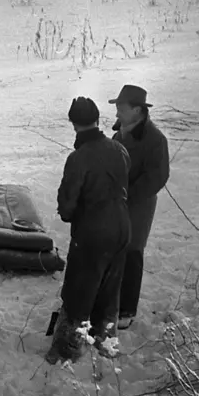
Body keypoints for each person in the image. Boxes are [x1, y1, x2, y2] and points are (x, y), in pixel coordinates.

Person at [45, 97, 131, 364]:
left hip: (93, 233)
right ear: (97, 119)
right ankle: (107, 344)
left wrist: (70, 214)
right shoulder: (119, 149)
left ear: (73, 124)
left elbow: (68, 202)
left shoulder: (78, 158)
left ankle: (68, 350)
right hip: (122, 228)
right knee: (109, 289)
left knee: (78, 291)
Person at [108, 84, 170, 329]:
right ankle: (111, 302)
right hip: (116, 204)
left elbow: (157, 177)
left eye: (121, 108)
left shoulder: (156, 140)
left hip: (138, 206)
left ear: (137, 110)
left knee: (132, 252)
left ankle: (126, 310)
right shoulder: (117, 134)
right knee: (114, 250)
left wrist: (127, 194)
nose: (116, 113)